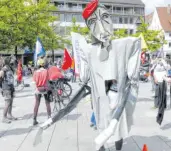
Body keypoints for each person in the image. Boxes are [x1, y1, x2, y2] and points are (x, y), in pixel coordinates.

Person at [38, 1, 141, 151]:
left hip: (117, 99)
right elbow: (85, 84)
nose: (101, 26)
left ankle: (117, 145)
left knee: (118, 130)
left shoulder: (125, 45)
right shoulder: (89, 51)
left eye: (105, 17)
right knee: (101, 130)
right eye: (93, 22)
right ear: (89, 28)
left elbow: (131, 81)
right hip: (100, 102)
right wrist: (54, 118)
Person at [33, 58, 51, 126]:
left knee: (37, 104)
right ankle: (49, 118)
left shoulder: (35, 72)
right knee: (47, 103)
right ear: (44, 64)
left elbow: (34, 81)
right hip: (45, 89)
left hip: (38, 89)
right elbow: (48, 80)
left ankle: (34, 119)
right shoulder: (46, 71)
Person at [0, 56, 17, 123]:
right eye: (11, 60)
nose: (13, 61)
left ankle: (9, 114)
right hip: (6, 87)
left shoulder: (10, 68)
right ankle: (4, 117)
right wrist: (1, 88)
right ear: (8, 61)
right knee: (7, 102)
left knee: (11, 101)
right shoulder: (4, 69)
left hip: (11, 87)